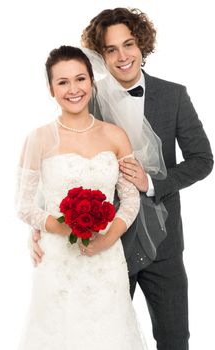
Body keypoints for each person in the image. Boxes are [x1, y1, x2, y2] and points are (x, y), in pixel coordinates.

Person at [29, 7, 214, 350]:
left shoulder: (174, 96)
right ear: (100, 56)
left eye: (128, 44)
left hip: (164, 244)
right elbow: (59, 163)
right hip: (104, 244)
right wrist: (39, 226)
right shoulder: (85, 96)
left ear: (142, 45)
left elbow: (203, 160)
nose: (122, 56)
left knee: (174, 339)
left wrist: (153, 183)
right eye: (110, 49)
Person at [16, 45, 151, 349]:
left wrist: (106, 237)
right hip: (58, 260)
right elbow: (24, 206)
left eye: (80, 79)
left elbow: (130, 200)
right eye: (62, 82)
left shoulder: (115, 135)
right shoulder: (38, 138)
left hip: (107, 260)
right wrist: (64, 228)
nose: (73, 89)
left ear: (92, 82)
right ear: (51, 88)